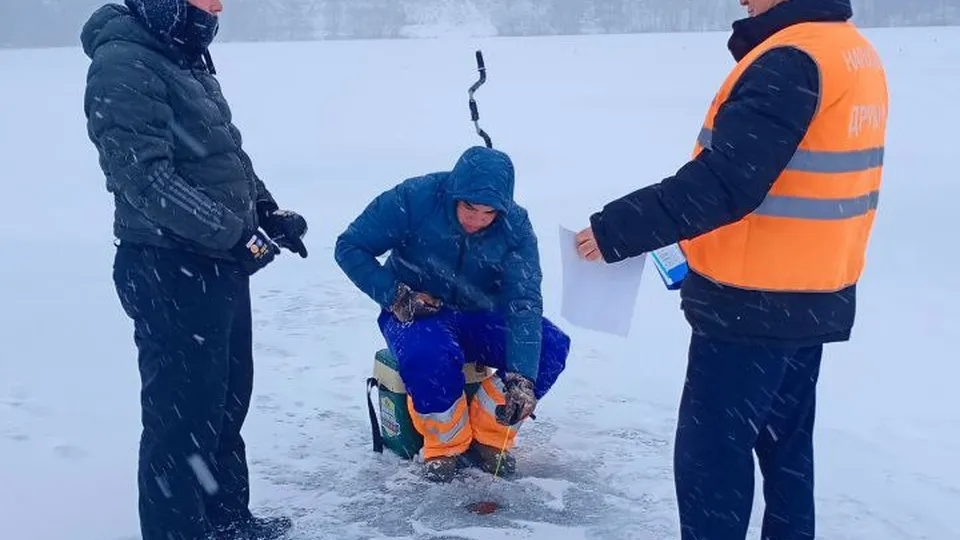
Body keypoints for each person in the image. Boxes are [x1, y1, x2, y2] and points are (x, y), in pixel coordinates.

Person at [574, 0, 887, 538]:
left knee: (711, 460)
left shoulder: (791, 60)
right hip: (810, 291)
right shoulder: (850, 50)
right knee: (787, 453)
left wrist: (615, 230)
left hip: (753, 301)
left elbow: (725, 182)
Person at [81, 1, 308, 539]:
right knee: (181, 420)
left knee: (225, 403)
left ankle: (227, 520)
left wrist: (266, 212)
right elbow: (145, 180)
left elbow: (224, 154)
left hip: (214, 266)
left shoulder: (186, 58)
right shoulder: (124, 62)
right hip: (166, 266)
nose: (216, 7)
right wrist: (233, 234)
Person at [335, 146, 570, 482]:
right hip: (416, 309)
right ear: (453, 194)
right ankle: (445, 446)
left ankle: (490, 436)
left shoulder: (515, 226)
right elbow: (350, 246)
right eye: (469, 207)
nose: (476, 219)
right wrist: (396, 296)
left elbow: (524, 302)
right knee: (429, 354)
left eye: (488, 212)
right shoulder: (414, 198)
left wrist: (521, 378)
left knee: (550, 347)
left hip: (480, 313)